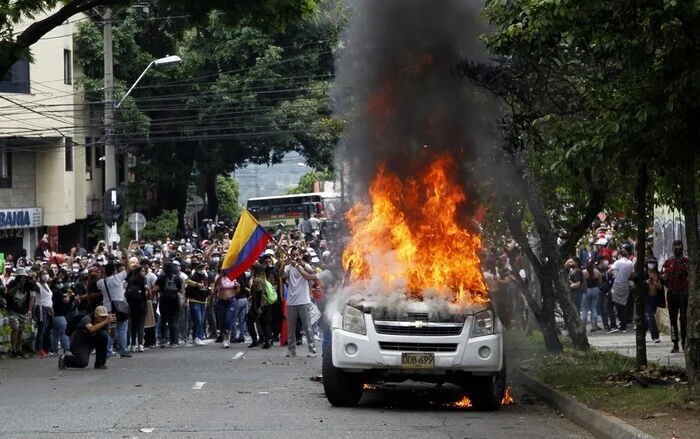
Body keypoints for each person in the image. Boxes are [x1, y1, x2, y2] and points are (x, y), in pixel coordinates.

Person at [283, 247, 318, 357]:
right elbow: (281, 275)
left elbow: (312, 273)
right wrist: (284, 263)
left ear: (300, 255)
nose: (295, 256)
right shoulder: (288, 268)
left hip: (304, 301)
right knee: (291, 328)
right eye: (293, 254)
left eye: (297, 254)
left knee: (307, 327)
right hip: (291, 302)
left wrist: (300, 264)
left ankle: (312, 349)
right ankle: (291, 350)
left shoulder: (304, 265)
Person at [58, 306, 116, 370]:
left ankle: (100, 363)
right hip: (78, 342)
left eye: (105, 316)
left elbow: (111, 335)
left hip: (90, 340)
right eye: (101, 317)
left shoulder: (104, 321)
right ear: (95, 315)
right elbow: (92, 329)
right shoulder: (87, 319)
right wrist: (105, 321)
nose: (104, 318)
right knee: (83, 363)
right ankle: (65, 359)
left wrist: (113, 325)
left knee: (103, 336)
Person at [96, 258, 133, 358]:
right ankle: (123, 351)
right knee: (121, 330)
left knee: (110, 330)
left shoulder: (100, 283)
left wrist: (103, 273)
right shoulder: (118, 278)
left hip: (107, 309)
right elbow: (129, 268)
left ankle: (107, 351)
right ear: (115, 271)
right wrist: (127, 255)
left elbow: (100, 281)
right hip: (119, 308)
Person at [3, 267, 37, 358]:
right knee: (15, 327)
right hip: (13, 310)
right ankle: (13, 349)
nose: (23, 279)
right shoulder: (12, 283)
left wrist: (29, 310)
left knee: (21, 330)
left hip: (22, 310)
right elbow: (10, 293)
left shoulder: (27, 285)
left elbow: (32, 296)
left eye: (24, 277)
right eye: (22, 277)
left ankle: (19, 349)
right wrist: (18, 286)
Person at [661, 240, 689, 353]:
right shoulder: (668, 262)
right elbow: (663, 279)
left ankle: (684, 342)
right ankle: (675, 343)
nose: (678, 249)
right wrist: (667, 273)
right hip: (672, 294)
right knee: (673, 320)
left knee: (684, 319)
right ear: (673, 248)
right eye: (676, 247)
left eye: (680, 247)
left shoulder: (687, 262)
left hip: (684, 294)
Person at [153, 261, 184, 348]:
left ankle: (163, 339)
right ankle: (174, 340)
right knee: (173, 321)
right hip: (174, 300)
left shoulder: (161, 277)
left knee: (163, 320)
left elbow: (155, 289)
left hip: (164, 300)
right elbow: (181, 290)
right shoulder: (177, 278)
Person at [608, 249, 634, 333]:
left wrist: (614, 273)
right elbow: (632, 274)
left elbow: (609, 272)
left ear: (619, 255)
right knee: (624, 304)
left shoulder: (618, 262)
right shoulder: (630, 263)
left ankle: (614, 324)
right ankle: (623, 326)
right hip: (625, 285)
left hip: (617, 284)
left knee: (613, 304)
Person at [126, 265, 150, 352]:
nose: (144, 273)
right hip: (141, 304)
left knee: (133, 326)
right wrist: (149, 294)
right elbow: (147, 288)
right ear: (139, 272)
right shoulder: (143, 279)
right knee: (141, 324)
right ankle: (140, 344)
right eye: (143, 271)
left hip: (132, 305)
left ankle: (132, 344)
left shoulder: (130, 280)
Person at [645, 256, 664, 344]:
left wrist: (655, 283)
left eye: (653, 262)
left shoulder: (658, 274)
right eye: (649, 262)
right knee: (651, 316)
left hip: (655, 299)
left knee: (649, 317)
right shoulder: (644, 274)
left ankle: (642, 330)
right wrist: (646, 283)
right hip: (646, 298)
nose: (651, 264)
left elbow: (661, 287)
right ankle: (655, 336)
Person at [581, 258, 601, 332]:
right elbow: (600, 282)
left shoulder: (584, 272)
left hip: (587, 290)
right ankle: (593, 325)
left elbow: (582, 282)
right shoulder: (597, 272)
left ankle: (584, 326)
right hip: (595, 289)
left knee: (584, 309)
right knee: (593, 308)